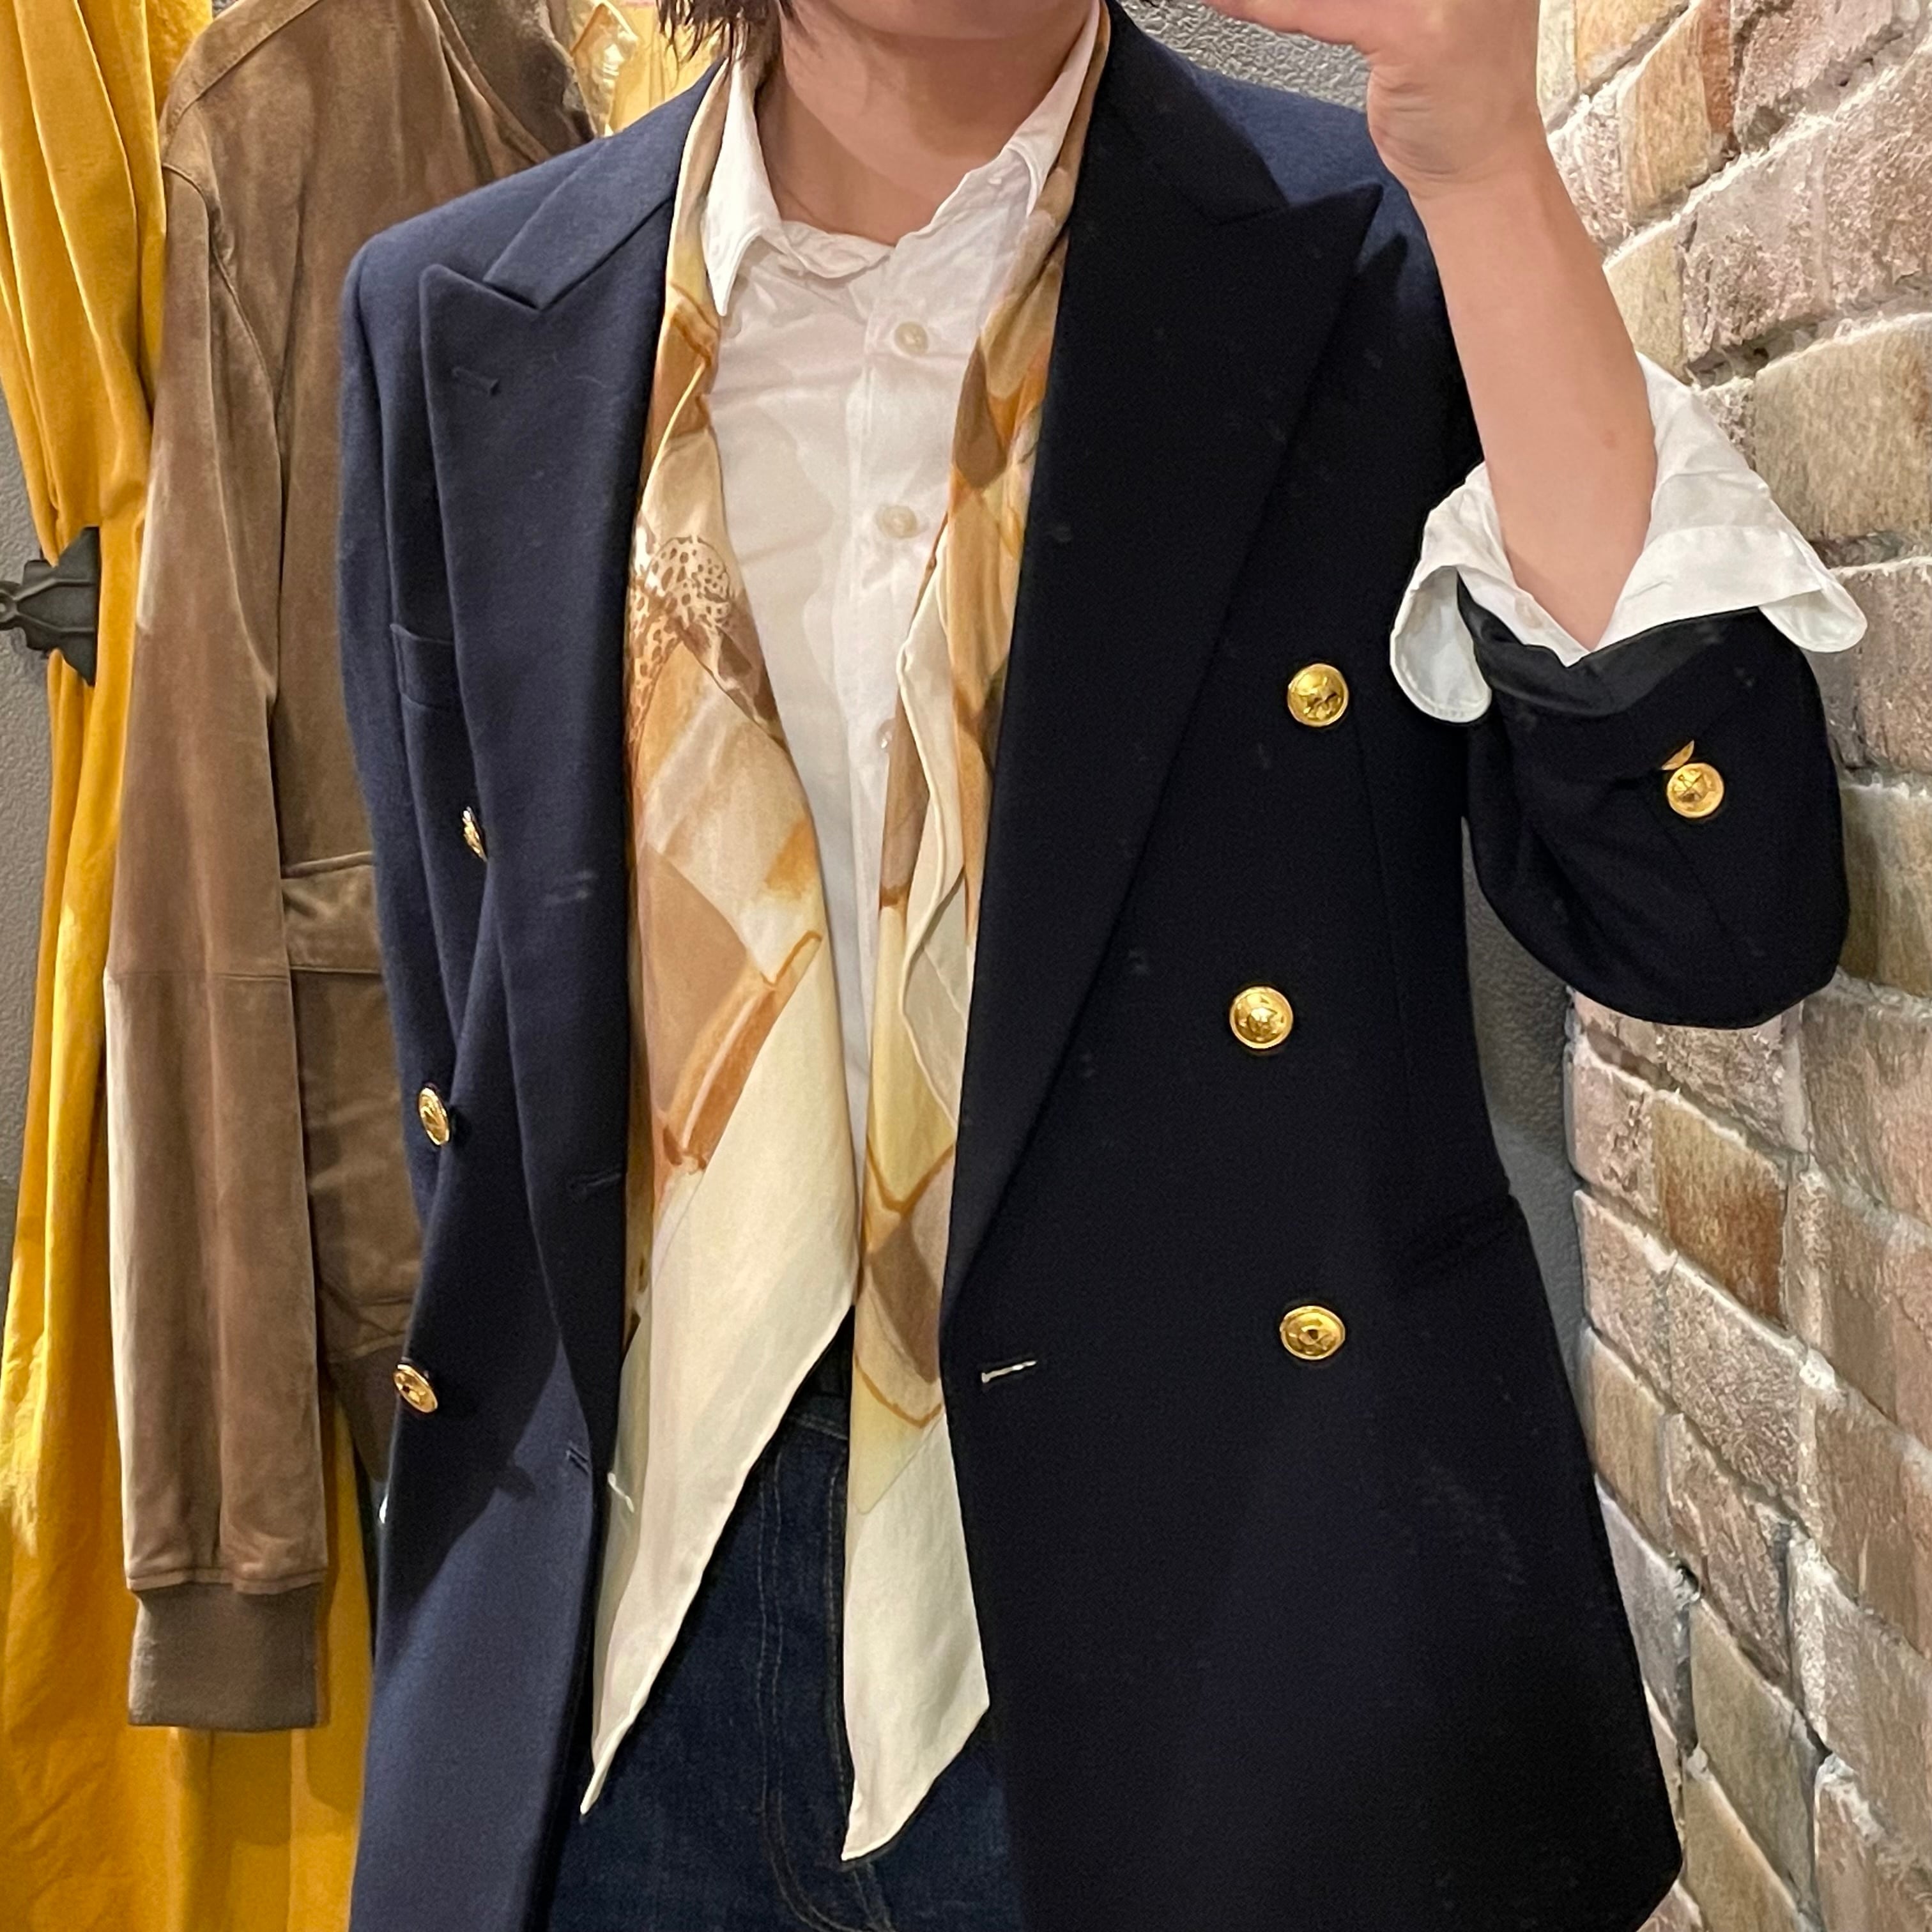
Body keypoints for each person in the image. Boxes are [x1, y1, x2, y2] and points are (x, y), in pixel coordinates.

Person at [335, 2, 1863, 1929]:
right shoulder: (461, 308)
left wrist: (1486, 167)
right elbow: (472, 1014)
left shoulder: (1369, 243)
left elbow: (1708, 918)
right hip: (628, 1672)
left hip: (1237, 1621)